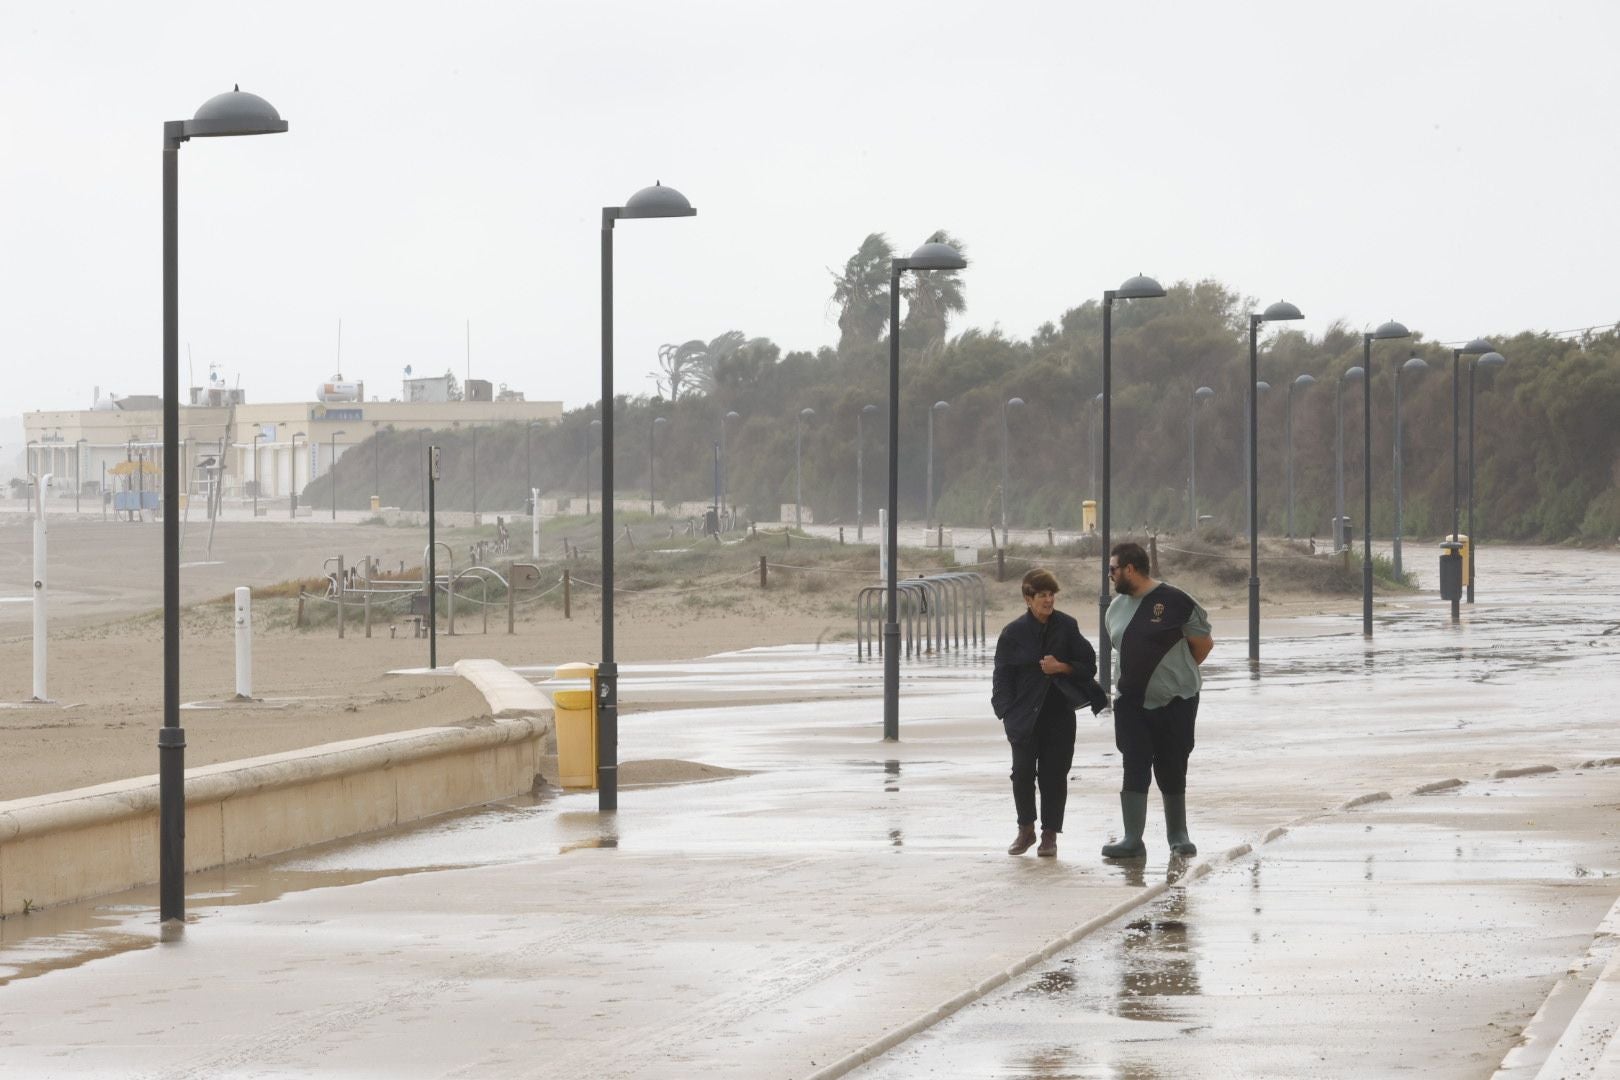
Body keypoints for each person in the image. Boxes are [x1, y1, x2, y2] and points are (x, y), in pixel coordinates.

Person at [1102, 541, 1214, 859]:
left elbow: (1203, 645)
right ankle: (1132, 839)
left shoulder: (1175, 600)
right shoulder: (1115, 608)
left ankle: (1178, 835)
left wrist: (1175, 674)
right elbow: (1120, 647)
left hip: (1177, 700)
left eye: (1113, 569)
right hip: (1131, 703)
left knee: (1172, 765)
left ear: (1130, 569)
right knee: (1134, 764)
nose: (1110, 575)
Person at [992, 568, 1107, 857]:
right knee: (1021, 774)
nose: (1048, 600)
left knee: (1054, 775)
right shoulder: (1013, 633)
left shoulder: (1067, 626)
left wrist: (1062, 667)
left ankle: (1050, 835)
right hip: (1023, 715)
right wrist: (1005, 711)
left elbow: (1088, 665)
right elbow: (1002, 676)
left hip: (1058, 713)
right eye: (1041, 595)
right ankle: (1025, 830)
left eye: (1051, 594)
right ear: (1028, 599)